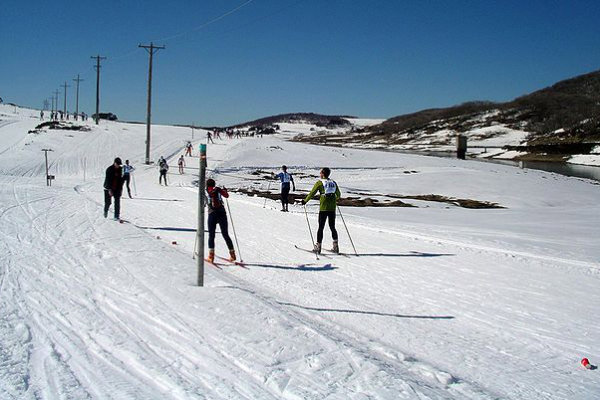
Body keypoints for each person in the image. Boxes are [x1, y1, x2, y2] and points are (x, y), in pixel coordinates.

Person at [301, 167, 341, 254]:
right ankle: (336, 246)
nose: (319, 174)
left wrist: (305, 201)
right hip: (332, 208)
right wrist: (333, 199)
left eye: (320, 172)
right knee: (332, 227)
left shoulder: (319, 183)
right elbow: (338, 194)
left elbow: (312, 193)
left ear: (323, 174)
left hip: (323, 208)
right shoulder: (333, 182)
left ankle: (318, 247)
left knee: (321, 227)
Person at [205, 178, 236, 263]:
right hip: (222, 213)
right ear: (214, 184)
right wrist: (224, 190)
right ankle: (232, 254)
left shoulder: (206, 191)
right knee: (225, 234)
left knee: (211, 235)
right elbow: (226, 195)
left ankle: (211, 256)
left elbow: (205, 203)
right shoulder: (218, 189)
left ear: (207, 185)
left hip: (212, 214)